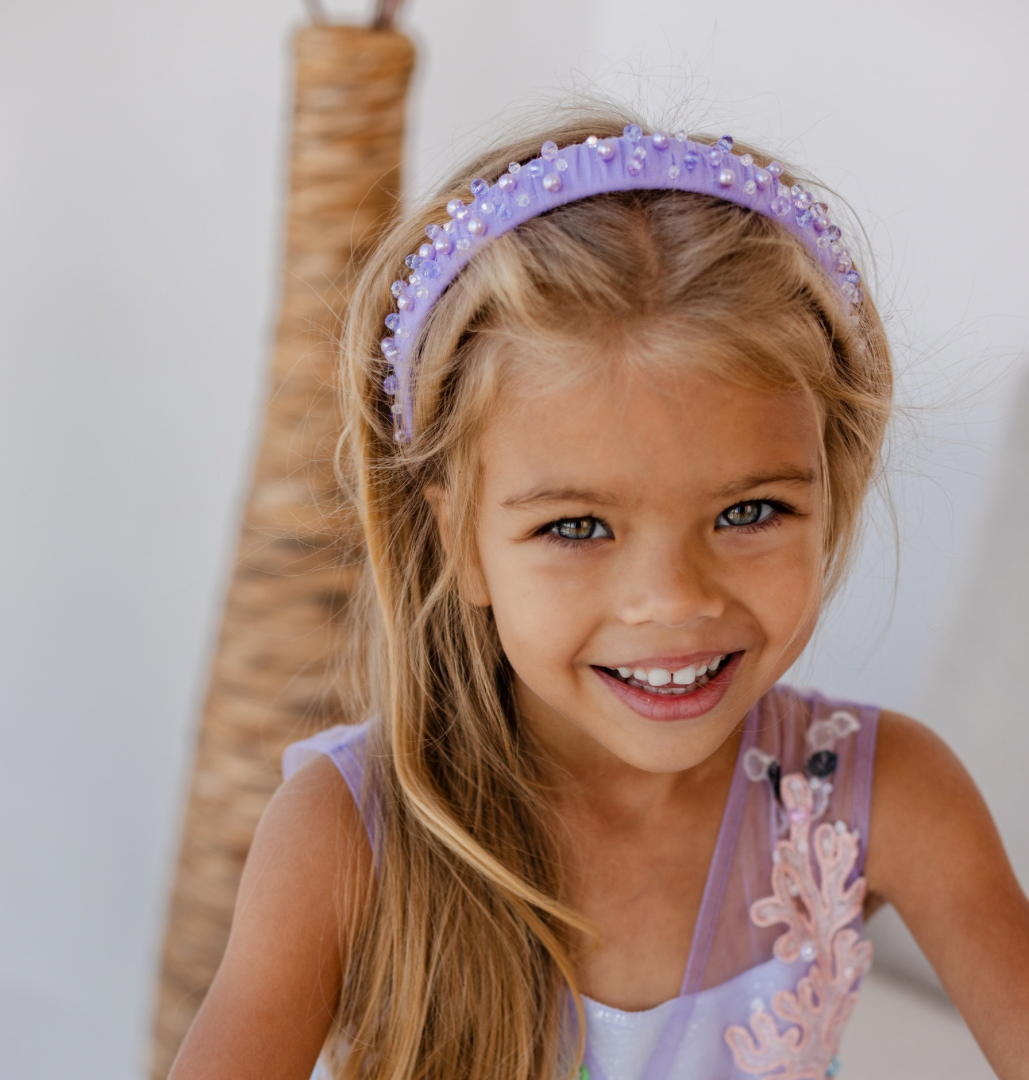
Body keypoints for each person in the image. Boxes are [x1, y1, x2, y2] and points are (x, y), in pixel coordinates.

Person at [169, 112, 1029, 1080]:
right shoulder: (342, 837)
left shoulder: (888, 798)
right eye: (576, 528)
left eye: (749, 511)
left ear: (832, 485)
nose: (670, 600)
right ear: (460, 538)